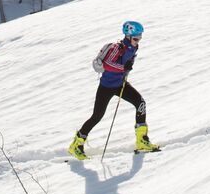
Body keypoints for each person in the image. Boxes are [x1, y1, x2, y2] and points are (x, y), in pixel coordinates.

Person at [68, 20, 160, 160]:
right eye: (136, 38)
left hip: (120, 84)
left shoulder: (133, 48)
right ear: (128, 36)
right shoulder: (117, 47)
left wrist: (126, 70)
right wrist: (123, 68)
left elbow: (125, 65)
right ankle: (76, 144)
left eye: (140, 38)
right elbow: (107, 64)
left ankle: (142, 140)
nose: (138, 41)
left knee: (140, 103)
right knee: (97, 116)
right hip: (106, 87)